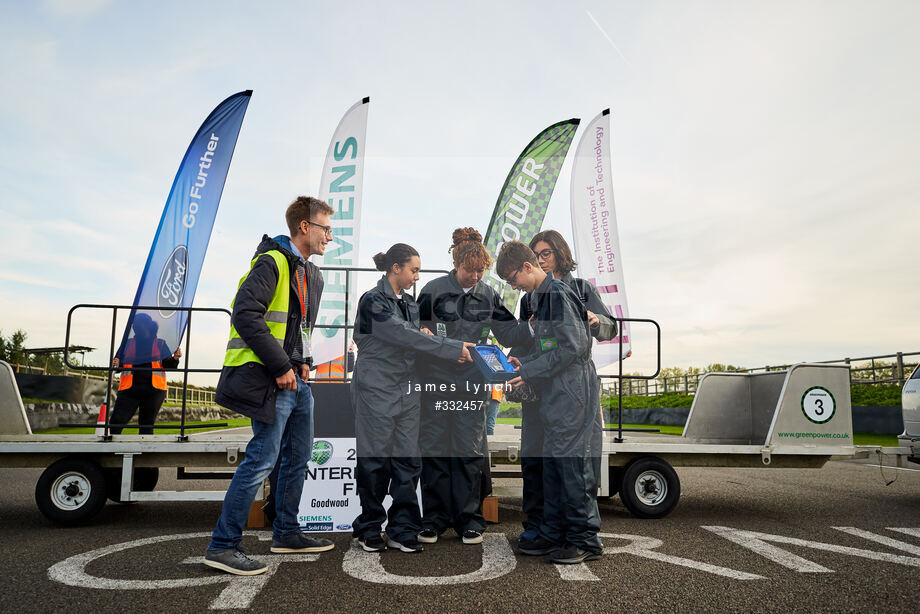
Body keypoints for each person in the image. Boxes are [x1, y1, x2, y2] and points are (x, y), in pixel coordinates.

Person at [204, 196, 335, 576]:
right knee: (262, 458)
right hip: (270, 377)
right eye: (326, 228)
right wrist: (281, 366)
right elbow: (246, 315)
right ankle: (223, 545)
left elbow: (300, 328)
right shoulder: (272, 261)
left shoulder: (311, 274)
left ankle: (287, 532)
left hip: (296, 380)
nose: (331, 236)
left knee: (299, 457)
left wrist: (304, 361)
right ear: (305, 227)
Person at [351, 243, 474, 553]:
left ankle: (402, 527)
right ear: (396, 268)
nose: (417, 277)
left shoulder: (410, 303)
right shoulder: (372, 301)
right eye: (414, 270)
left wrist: (442, 343)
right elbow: (403, 335)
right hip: (377, 390)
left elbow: (419, 336)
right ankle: (368, 526)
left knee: (408, 462)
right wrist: (449, 347)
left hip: (407, 392)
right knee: (375, 462)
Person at [415, 228, 530, 545]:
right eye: (470, 270)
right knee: (435, 448)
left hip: (473, 385)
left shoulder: (488, 293)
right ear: (456, 263)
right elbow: (415, 333)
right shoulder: (432, 291)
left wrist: (536, 323)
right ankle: (434, 519)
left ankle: (470, 519)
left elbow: (510, 334)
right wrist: (430, 338)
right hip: (436, 383)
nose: (475, 276)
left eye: (480, 271)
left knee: (468, 450)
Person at [498, 240, 603, 565]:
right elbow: (549, 346)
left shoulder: (556, 294)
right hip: (557, 392)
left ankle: (585, 539)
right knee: (555, 464)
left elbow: (573, 346)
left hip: (572, 391)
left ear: (528, 267)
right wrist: (522, 363)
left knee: (571, 465)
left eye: (513, 278)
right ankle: (558, 533)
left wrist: (529, 370)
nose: (513, 286)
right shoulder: (538, 299)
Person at [110, 312, 181, 435]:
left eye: (141, 324)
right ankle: (111, 451)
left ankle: (144, 453)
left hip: (154, 391)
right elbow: (117, 367)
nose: (138, 327)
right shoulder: (126, 344)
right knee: (116, 422)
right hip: (129, 390)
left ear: (149, 326)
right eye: (136, 325)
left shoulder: (160, 344)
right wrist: (116, 364)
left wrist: (175, 358)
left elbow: (169, 366)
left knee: (146, 425)